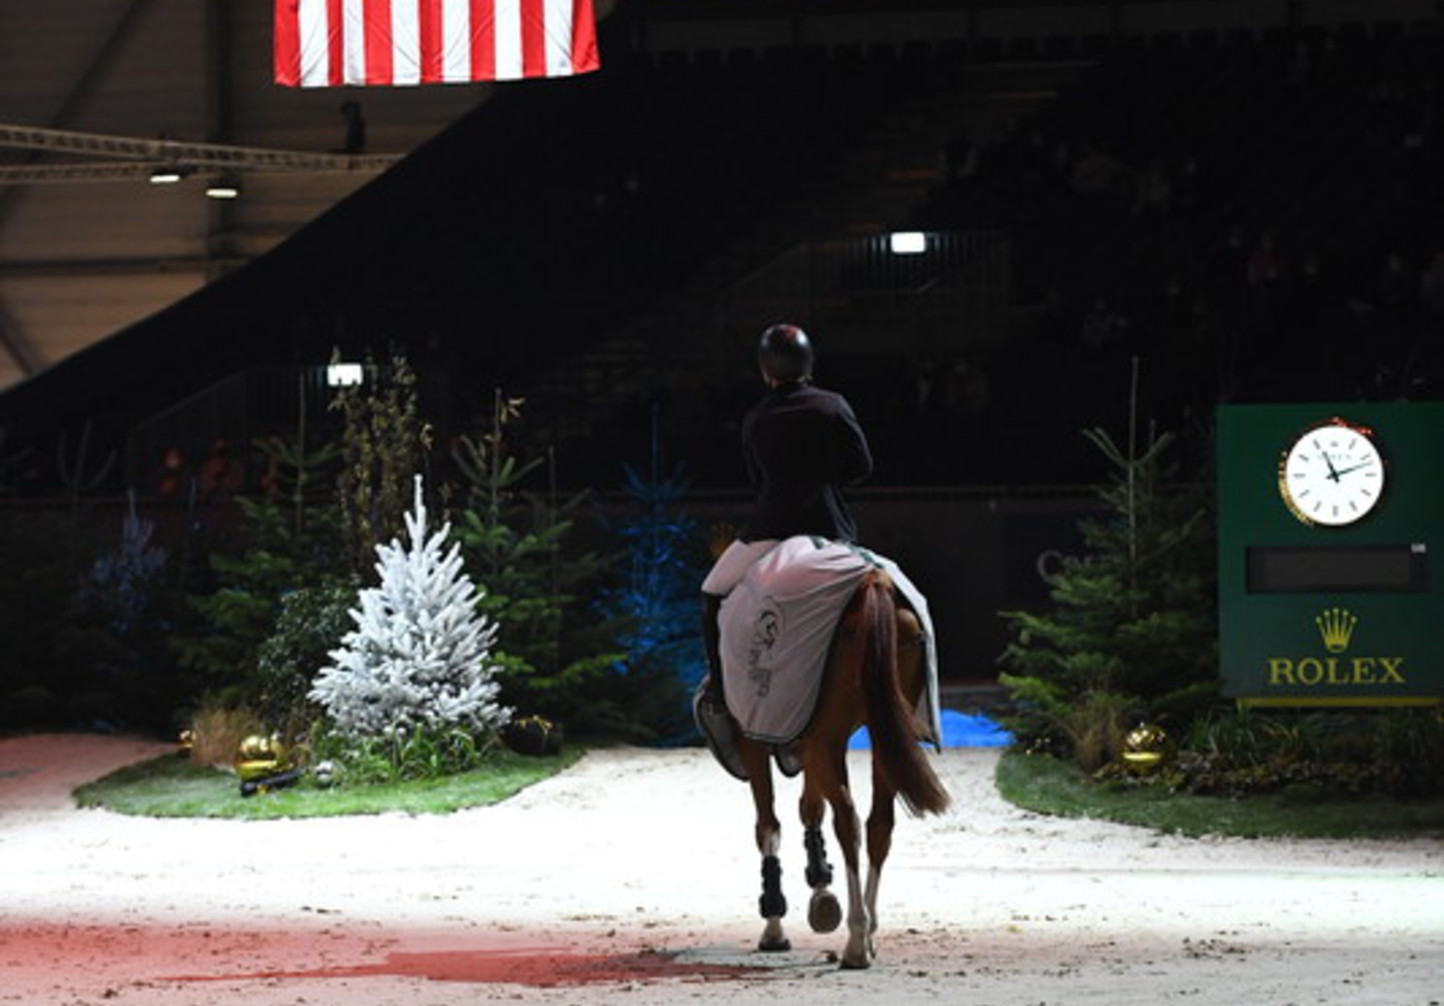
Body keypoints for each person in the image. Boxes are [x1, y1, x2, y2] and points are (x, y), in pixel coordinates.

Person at [694, 323, 874, 778]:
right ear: (809, 364)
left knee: (712, 594)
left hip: (772, 528)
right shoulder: (834, 405)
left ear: (765, 371)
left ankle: (719, 694)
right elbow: (862, 466)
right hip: (831, 530)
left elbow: (759, 482)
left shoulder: (756, 417)